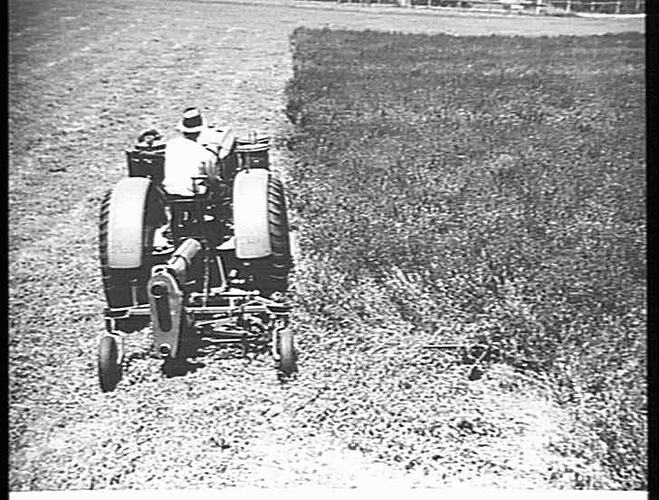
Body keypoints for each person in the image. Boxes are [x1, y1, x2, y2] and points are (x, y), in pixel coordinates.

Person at [162, 107, 218, 197]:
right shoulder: (203, 151)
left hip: (170, 190)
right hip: (195, 192)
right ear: (200, 131)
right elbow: (212, 177)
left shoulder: (170, 145)